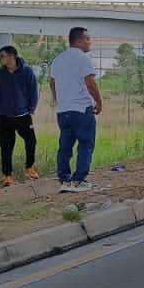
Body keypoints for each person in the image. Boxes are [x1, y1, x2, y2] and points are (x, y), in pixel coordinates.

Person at [48, 26, 104, 192]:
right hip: (81, 109)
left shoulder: (58, 60)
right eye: (87, 39)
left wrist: (60, 101)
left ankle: (64, 181)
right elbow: (90, 83)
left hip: (63, 111)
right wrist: (99, 102)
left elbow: (52, 83)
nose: (90, 42)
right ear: (79, 41)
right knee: (86, 144)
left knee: (65, 146)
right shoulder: (83, 59)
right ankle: (79, 181)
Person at [0, 45, 40, 186]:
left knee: (31, 141)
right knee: (6, 146)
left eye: (2, 56)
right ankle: (8, 176)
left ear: (12, 56)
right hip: (4, 117)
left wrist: (31, 109)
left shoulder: (27, 72)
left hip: (23, 115)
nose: (0, 59)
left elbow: (33, 92)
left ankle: (29, 167)